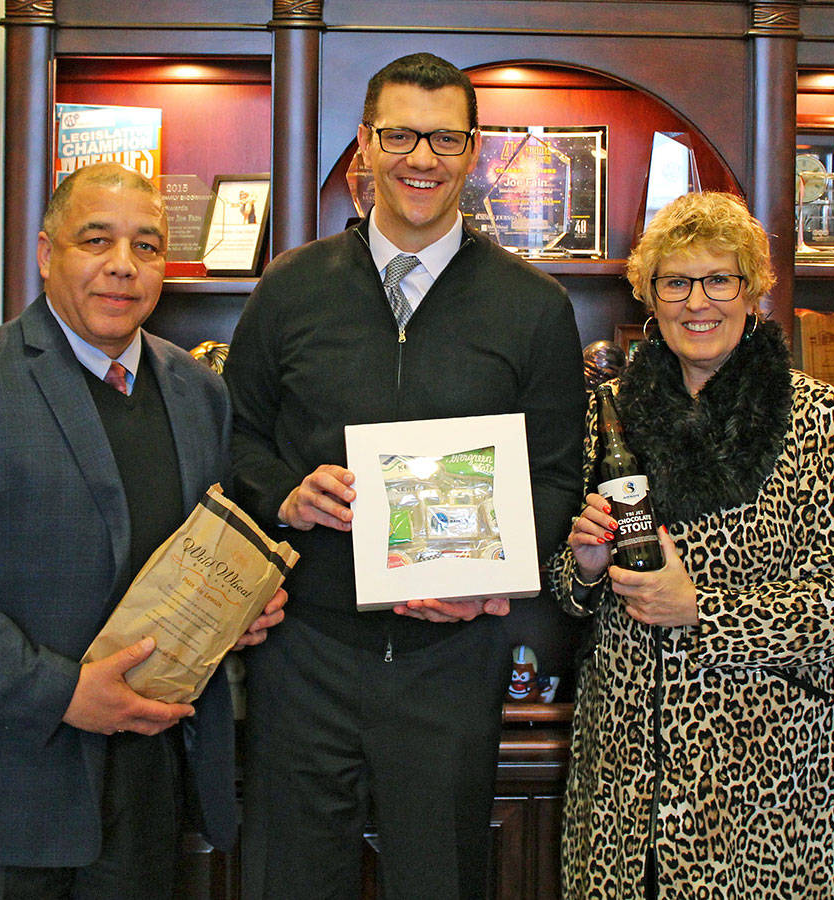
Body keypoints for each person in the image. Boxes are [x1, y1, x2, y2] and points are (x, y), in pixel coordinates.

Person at [0, 162, 285, 899]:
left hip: (145, 792)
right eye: (97, 240)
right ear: (46, 252)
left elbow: (188, 556)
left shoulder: (199, 393)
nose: (122, 266)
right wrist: (62, 693)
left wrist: (235, 611)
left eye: (147, 246)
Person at [222, 52, 585, 898]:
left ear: (474, 150)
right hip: (304, 652)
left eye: (445, 137)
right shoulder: (289, 289)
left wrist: (487, 581)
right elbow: (233, 437)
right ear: (364, 144)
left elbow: (557, 480)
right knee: (293, 881)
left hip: (452, 660)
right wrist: (283, 490)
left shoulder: (533, 307)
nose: (421, 158)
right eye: (400, 135)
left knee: (441, 879)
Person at [552, 191, 834, 899]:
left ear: (752, 291)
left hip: (764, 771)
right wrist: (587, 563)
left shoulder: (818, 417)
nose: (699, 302)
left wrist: (702, 611)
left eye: (719, 279)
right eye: (676, 282)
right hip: (624, 772)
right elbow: (568, 590)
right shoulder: (609, 410)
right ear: (651, 296)